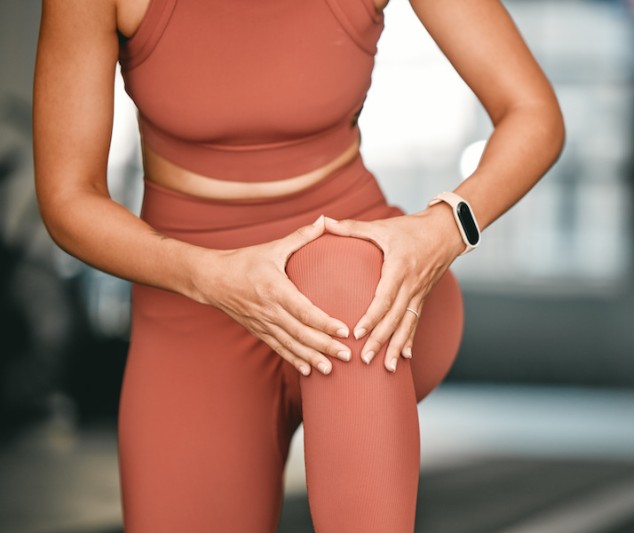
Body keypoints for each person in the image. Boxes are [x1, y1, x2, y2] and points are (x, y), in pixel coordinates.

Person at [32, 0, 565, 530]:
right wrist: (208, 275)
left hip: (365, 301)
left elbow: (532, 113)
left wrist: (444, 231)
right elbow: (69, 198)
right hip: (193, 305)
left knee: (342, 272)